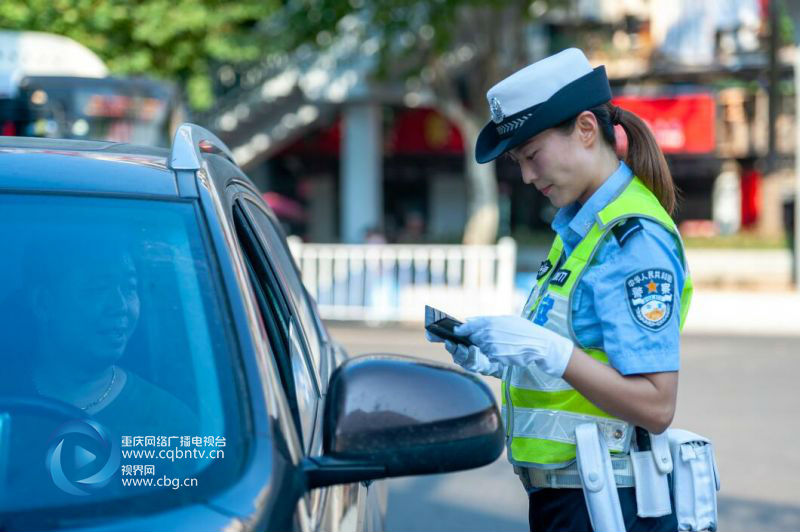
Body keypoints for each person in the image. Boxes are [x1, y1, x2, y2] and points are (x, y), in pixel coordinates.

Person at [427, 48, 692, 531]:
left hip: (609, 503)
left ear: (586, 129)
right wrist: (503, 359)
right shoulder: (579, 230)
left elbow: (656, 406)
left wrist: (549, 351)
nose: (527, 176)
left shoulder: (631, 238)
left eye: (532, 156)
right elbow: (584, 357)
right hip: (575, 498)